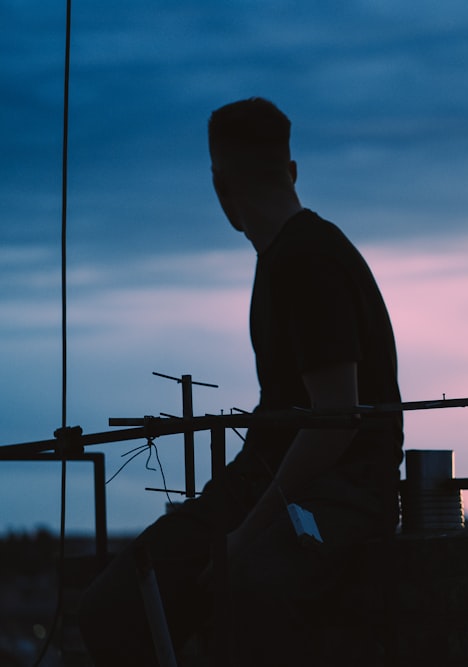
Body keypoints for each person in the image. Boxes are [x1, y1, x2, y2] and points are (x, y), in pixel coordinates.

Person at [79, 97, 404, 665]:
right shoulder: (287, 256)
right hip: (277, 486)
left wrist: (244, 534)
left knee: (238, 589)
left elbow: (335, 420)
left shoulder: (307, 259)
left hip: (341, 495)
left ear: (218, 183)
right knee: (125, 598)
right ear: (292, 172)